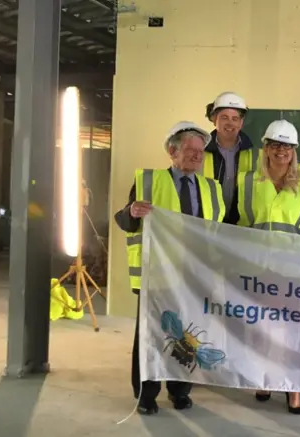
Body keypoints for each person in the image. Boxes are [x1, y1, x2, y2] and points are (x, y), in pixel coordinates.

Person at [114, 121, 226, 415]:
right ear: (172, 152)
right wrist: (131, 212)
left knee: (188, 336)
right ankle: (146, 395)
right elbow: (124, 220)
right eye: (190, 150)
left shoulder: (211, 189)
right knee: (150, 336)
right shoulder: (148, 180)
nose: (197, 156)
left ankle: (180, 390)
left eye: (200, 151)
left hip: (193, 276)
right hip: (157, 276)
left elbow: (217, 235)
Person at [226, 119, 300, 415]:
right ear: (266, 148)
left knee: (292, 333)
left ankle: (294, 390)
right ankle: (264, 379)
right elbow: (232, 223)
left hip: (294, 271)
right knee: (261, 329)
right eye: (275, 145)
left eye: (287, 146)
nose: (281, 151)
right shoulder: (245, 181)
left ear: (295, 150)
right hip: (257, 270)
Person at [203, 91, 261, 220]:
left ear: (241, 123)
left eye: (235, 119)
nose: (230, 123)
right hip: (208, 227)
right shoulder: (199, 153)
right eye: (224, 118)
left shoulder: (258, 156)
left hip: (242, 229)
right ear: (214, 119)